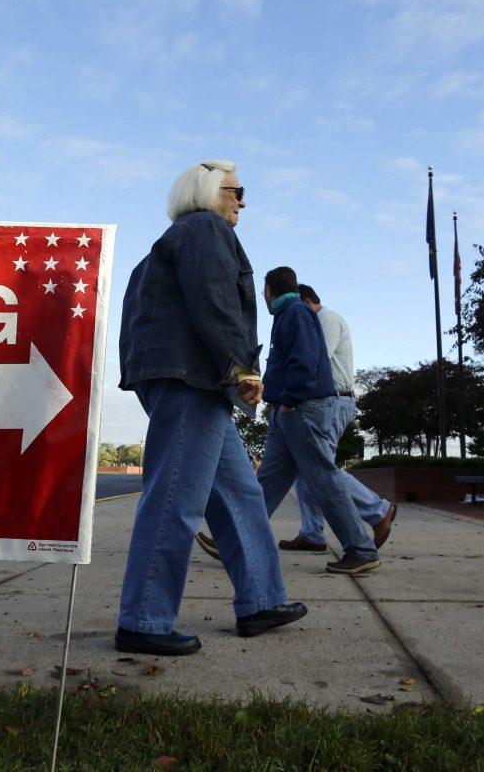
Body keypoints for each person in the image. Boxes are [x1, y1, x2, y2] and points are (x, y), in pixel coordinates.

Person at [115, 160, 308, 657]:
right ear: (208, 191)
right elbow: (215, 300)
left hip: (187, 377)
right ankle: (144, 620)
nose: (242, 201)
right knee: (175, 497)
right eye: (236, 190)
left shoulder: (175, 238)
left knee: (241, 495)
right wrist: (242, 366)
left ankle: (261, 601)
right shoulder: (205, 229)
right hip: (192, 379)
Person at [253, 266, 381, 574]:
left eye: (264, 293)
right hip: (291, 410)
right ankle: (236, 537)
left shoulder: (295, 313)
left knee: (323, 477)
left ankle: (361, 549)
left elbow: (306, 360)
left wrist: (289, 400)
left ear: (269, 291)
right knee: (268, 480)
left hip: (301, 409)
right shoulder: (292, 314)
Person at [277, 285, 396, 552]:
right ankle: (312, 533)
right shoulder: (318, 319)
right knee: (307, 469)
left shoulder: (326, 319)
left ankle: (378, 510)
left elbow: (315, 359)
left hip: (332, 400)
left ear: (307, 301)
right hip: (323, 400)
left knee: (320, 467)